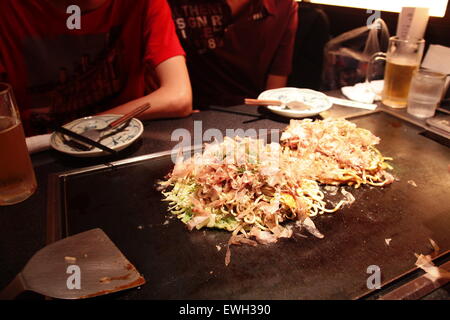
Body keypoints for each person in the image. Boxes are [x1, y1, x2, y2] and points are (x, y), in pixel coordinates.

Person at [0, 0, 192, 136]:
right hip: (38, 156)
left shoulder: (143, 3)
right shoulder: (8, 11)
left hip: (123, 140)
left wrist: (85, 127)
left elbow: (179, 97)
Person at [167, 0, 298, 107]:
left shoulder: (283, 6)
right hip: (188, 111)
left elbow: (274, 94)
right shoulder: (173, 5)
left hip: (248, 113)